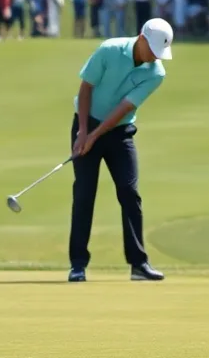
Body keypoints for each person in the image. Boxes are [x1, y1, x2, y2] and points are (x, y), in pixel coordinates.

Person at [68, 18, 173, 284]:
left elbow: (123, 109)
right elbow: (85, 88)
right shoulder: (109, 50)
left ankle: (138, 264)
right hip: (85, 120)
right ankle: (78, 264)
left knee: (129, 192)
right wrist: (83, 133)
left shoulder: (156, 73)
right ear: (141, 38)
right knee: (84, 193)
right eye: (152, 49)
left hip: (120, 131)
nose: (154, 57)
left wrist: (95, 135)